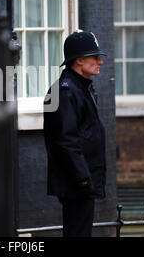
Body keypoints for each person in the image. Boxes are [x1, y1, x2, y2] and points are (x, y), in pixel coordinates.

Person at [43, 30, 107, 237]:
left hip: (82, 181)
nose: (100, 62)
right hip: (77, 184)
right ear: (79, 60)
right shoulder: (66, 92)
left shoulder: (79, 88)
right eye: (95, 57)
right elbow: (65, 141)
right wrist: (83, 180)